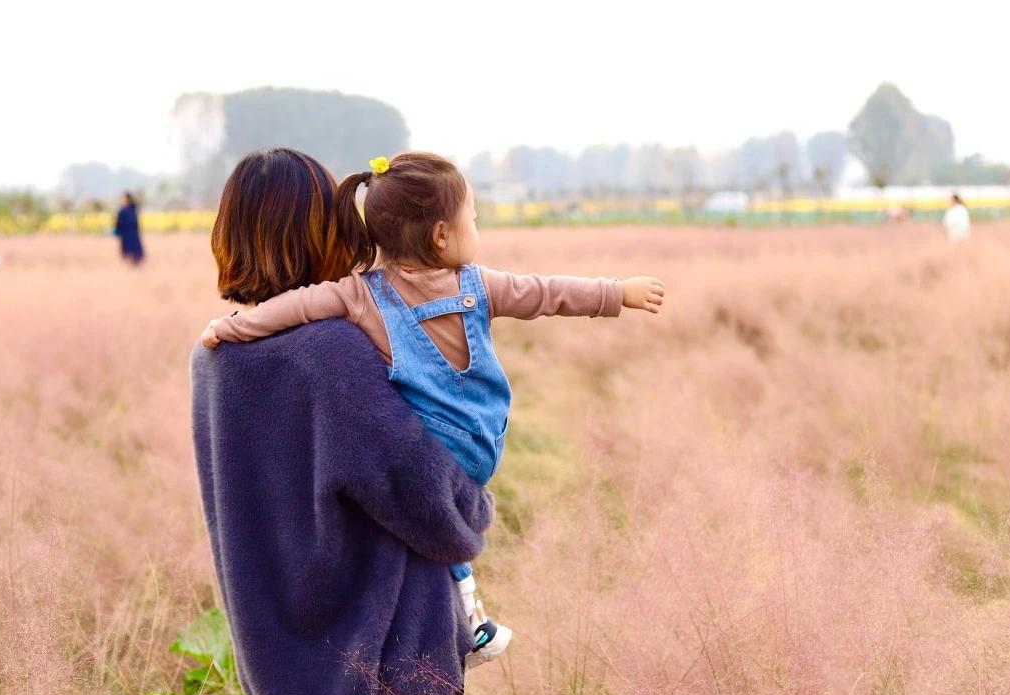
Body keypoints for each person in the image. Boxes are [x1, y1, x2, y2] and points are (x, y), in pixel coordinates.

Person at [200, 151, 665, 664]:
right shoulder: (346, 342)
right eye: (473, 218)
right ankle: (472, 619)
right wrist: (615, 294)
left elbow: (297, 308)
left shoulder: (233, 354)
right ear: (441, 235)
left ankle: (472, 614)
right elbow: (545, 294)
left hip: (291, 637)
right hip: (406, 619)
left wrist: (231, 328)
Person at [191, 148, 494, 695]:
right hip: (390, 673)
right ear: (320, 230)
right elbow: (422, 493)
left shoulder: (214, 356)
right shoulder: (329, 351)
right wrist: (474, 505)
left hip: (283, 677)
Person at [113, 191, 145, 264]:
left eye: (123, 198)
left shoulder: (128, 210)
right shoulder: (131, 209)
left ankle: (134, 259)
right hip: (128, 232)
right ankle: (133, 259)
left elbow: (120, 222)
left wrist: (117, 229)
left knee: (131, 247)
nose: (122, 200)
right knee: (130, 247)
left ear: (127, 199)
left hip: (130, 232)